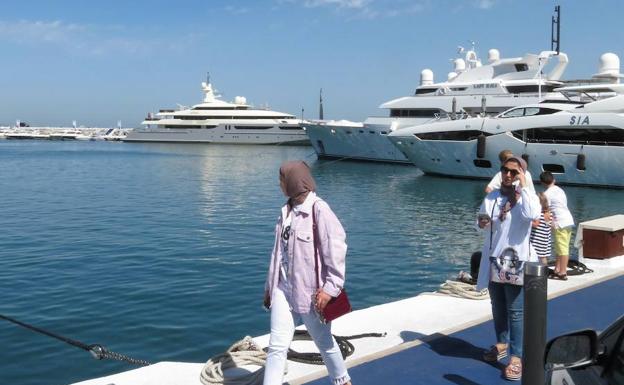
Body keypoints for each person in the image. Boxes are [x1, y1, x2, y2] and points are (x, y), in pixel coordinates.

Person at [263, 161, 352, 385]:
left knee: (324, 343)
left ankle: (342, 380)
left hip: (311, 293)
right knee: (276, 346)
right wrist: (269, 288)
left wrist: (331, 290)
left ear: (294, 181)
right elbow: (277, 254)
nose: (279, 184)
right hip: (283, 289)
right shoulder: (286, 212)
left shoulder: (319, 209)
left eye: (282, 179)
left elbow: (336, 249)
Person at [476, 155, 540, 381]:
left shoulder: (526, 198)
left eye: (514, 172)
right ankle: (501, 343)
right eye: (505, 170)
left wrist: (524, 186)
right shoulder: (493, 197)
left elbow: (533, 215)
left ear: (522, 174)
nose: (508, 175)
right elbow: (482, 220)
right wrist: (481, 222)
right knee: (498, 306)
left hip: (516, 261)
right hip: (494, 260)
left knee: (515, 311)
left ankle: (516, 358)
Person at [540, 171, 575, 280]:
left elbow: (546, 210)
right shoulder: (560, 190)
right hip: (568, 220)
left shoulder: (547, 194)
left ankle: (563, 272)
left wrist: (547, 223)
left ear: (542, 183)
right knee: (560, 247)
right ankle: (557, 269)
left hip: (560, 223)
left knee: (562, 248)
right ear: (553, 180)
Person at [530, 192, 553, 266]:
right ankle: (544, 271)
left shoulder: (538, 214)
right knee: (543, 257)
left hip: (536, 239)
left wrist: (527, 222)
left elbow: (536, 225)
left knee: (532, 256)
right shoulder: (549, 213)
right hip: (545, 240)